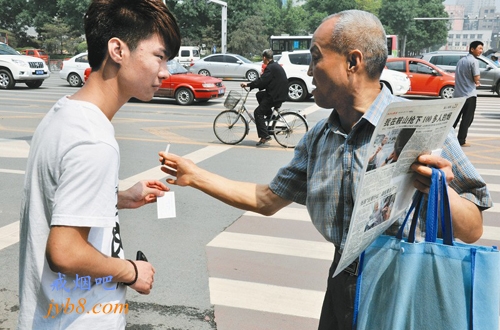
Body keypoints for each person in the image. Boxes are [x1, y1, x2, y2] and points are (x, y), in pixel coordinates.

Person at [159, 10, 491, 330]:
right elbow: (266, 200)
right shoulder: (320, 137)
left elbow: (473, 228)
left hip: (405, 285)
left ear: (353, 62)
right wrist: (195, 175)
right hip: (341, 285)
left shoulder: (424, 130)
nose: (307, 71)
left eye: (316, 57)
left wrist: (440, 191)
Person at [18, 0, 181, 329]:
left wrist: (119, 197)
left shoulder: (64, 114)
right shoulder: (95, 141)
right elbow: (64, 252)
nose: (166, 71)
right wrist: (132, 271)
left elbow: (58, 196)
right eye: (159, 56)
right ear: (118, 50)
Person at [241, 49, 288, 146]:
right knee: (259, 95)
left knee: (258, 113)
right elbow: (265, 81)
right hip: (278, 93)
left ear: (264, 57)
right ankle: (270, 115)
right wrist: (254, 85)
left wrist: (248, 84)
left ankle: (265, 136)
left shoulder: (270, 68)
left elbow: (262, 81)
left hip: (275, 96)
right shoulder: (274, 66)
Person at [453, 40, 483, 147]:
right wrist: (477, 82)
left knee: (455, 119)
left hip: (457, 95)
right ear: (472, 49)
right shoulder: (474, 61)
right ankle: (461, 140)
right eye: (479, 48)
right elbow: (476, 78)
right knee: (467, 119)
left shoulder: (461, 61)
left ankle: (447, 138)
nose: (481, 51)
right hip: (469, 95)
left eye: (482, 48)